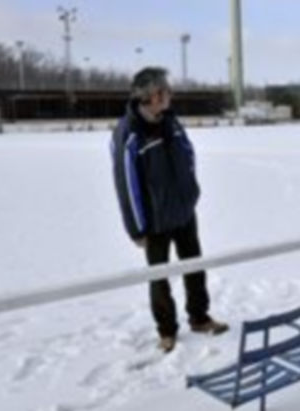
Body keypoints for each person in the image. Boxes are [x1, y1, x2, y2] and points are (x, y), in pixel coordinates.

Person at [110, 67, 227, 353]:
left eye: (167, 90)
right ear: (148, 97)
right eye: (163, 91)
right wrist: (136, 228)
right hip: (155, 222)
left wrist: (191, 193)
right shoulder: (129, 133)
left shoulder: (172, 123)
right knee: (159, 278)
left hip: (184, 212)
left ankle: (199, 318)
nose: (168, 95)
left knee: (195, 267)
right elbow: (126, 186)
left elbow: (188, 154)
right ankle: (166, 330)